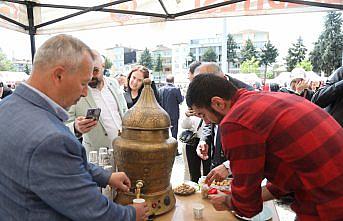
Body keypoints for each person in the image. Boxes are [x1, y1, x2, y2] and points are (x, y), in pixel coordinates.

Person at [0, 34, 148, 221]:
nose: (85, 91)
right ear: (58, 75)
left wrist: (105, 176)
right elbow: (93, 212)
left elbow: (57, 167)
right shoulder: (52, 139)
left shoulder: (5, 107)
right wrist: (131, 214)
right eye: (83, 83)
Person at [186, 74, 343, 220]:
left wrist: (228, 201)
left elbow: (247, 207)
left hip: (328, 201)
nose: (206, 122)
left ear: (218, 103)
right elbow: (290, 172)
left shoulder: (235, 121)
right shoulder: (261, 99)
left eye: (202, 115)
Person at [194, 62, 253, 183]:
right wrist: (204, 139)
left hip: (239, 165)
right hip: (217, 159)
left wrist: (229, 166)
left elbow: (254, 148)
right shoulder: (210, 98)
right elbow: (209, 121)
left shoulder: (246, 95)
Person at [66, 50, 127, 157]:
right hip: (99, 157)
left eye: (95, 70)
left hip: (125, 149)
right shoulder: (75, 91)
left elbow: (124, 111)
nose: (90, 76)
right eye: (86, 71)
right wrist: (76, 128)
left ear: (103, 67)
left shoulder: (113, 83)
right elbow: (63, 126)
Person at [159, 75, 184, 155]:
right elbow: (180, 100)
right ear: (173, 80)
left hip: (163, 115)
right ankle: (174, 151)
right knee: (174, 133)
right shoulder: (176, 89)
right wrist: (182, 96)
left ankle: (164, 150)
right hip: (173, 114)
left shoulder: (160, 90)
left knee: (163, 133)